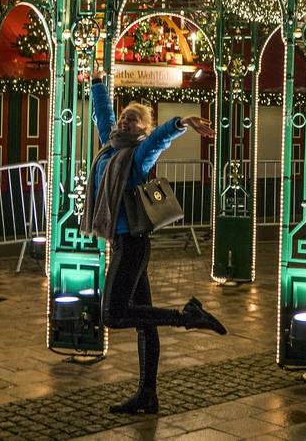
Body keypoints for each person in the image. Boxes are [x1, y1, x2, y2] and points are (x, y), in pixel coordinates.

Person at [82, 69, 225, 416]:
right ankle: (148, 395)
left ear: (143, 128)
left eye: (134, 119)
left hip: (132, 244)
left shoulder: (138, 155)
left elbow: (158, 140)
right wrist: (98, 83)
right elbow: (103, 114)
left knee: (113, 315)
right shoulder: (110, 146)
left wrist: (181, 123)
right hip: (123, 243)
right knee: (143, 322)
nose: (126, 121)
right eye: (125, 116)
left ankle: (186, 315)